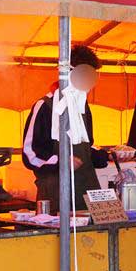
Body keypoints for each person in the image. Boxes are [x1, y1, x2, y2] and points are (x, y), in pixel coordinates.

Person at [22, 45, 109, 211]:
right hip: (55, 191)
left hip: (87, 188)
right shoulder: (44, 106)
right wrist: (61, 162)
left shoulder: (83, 107)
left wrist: (105, 156)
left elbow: (86, 147)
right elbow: (30, 154)